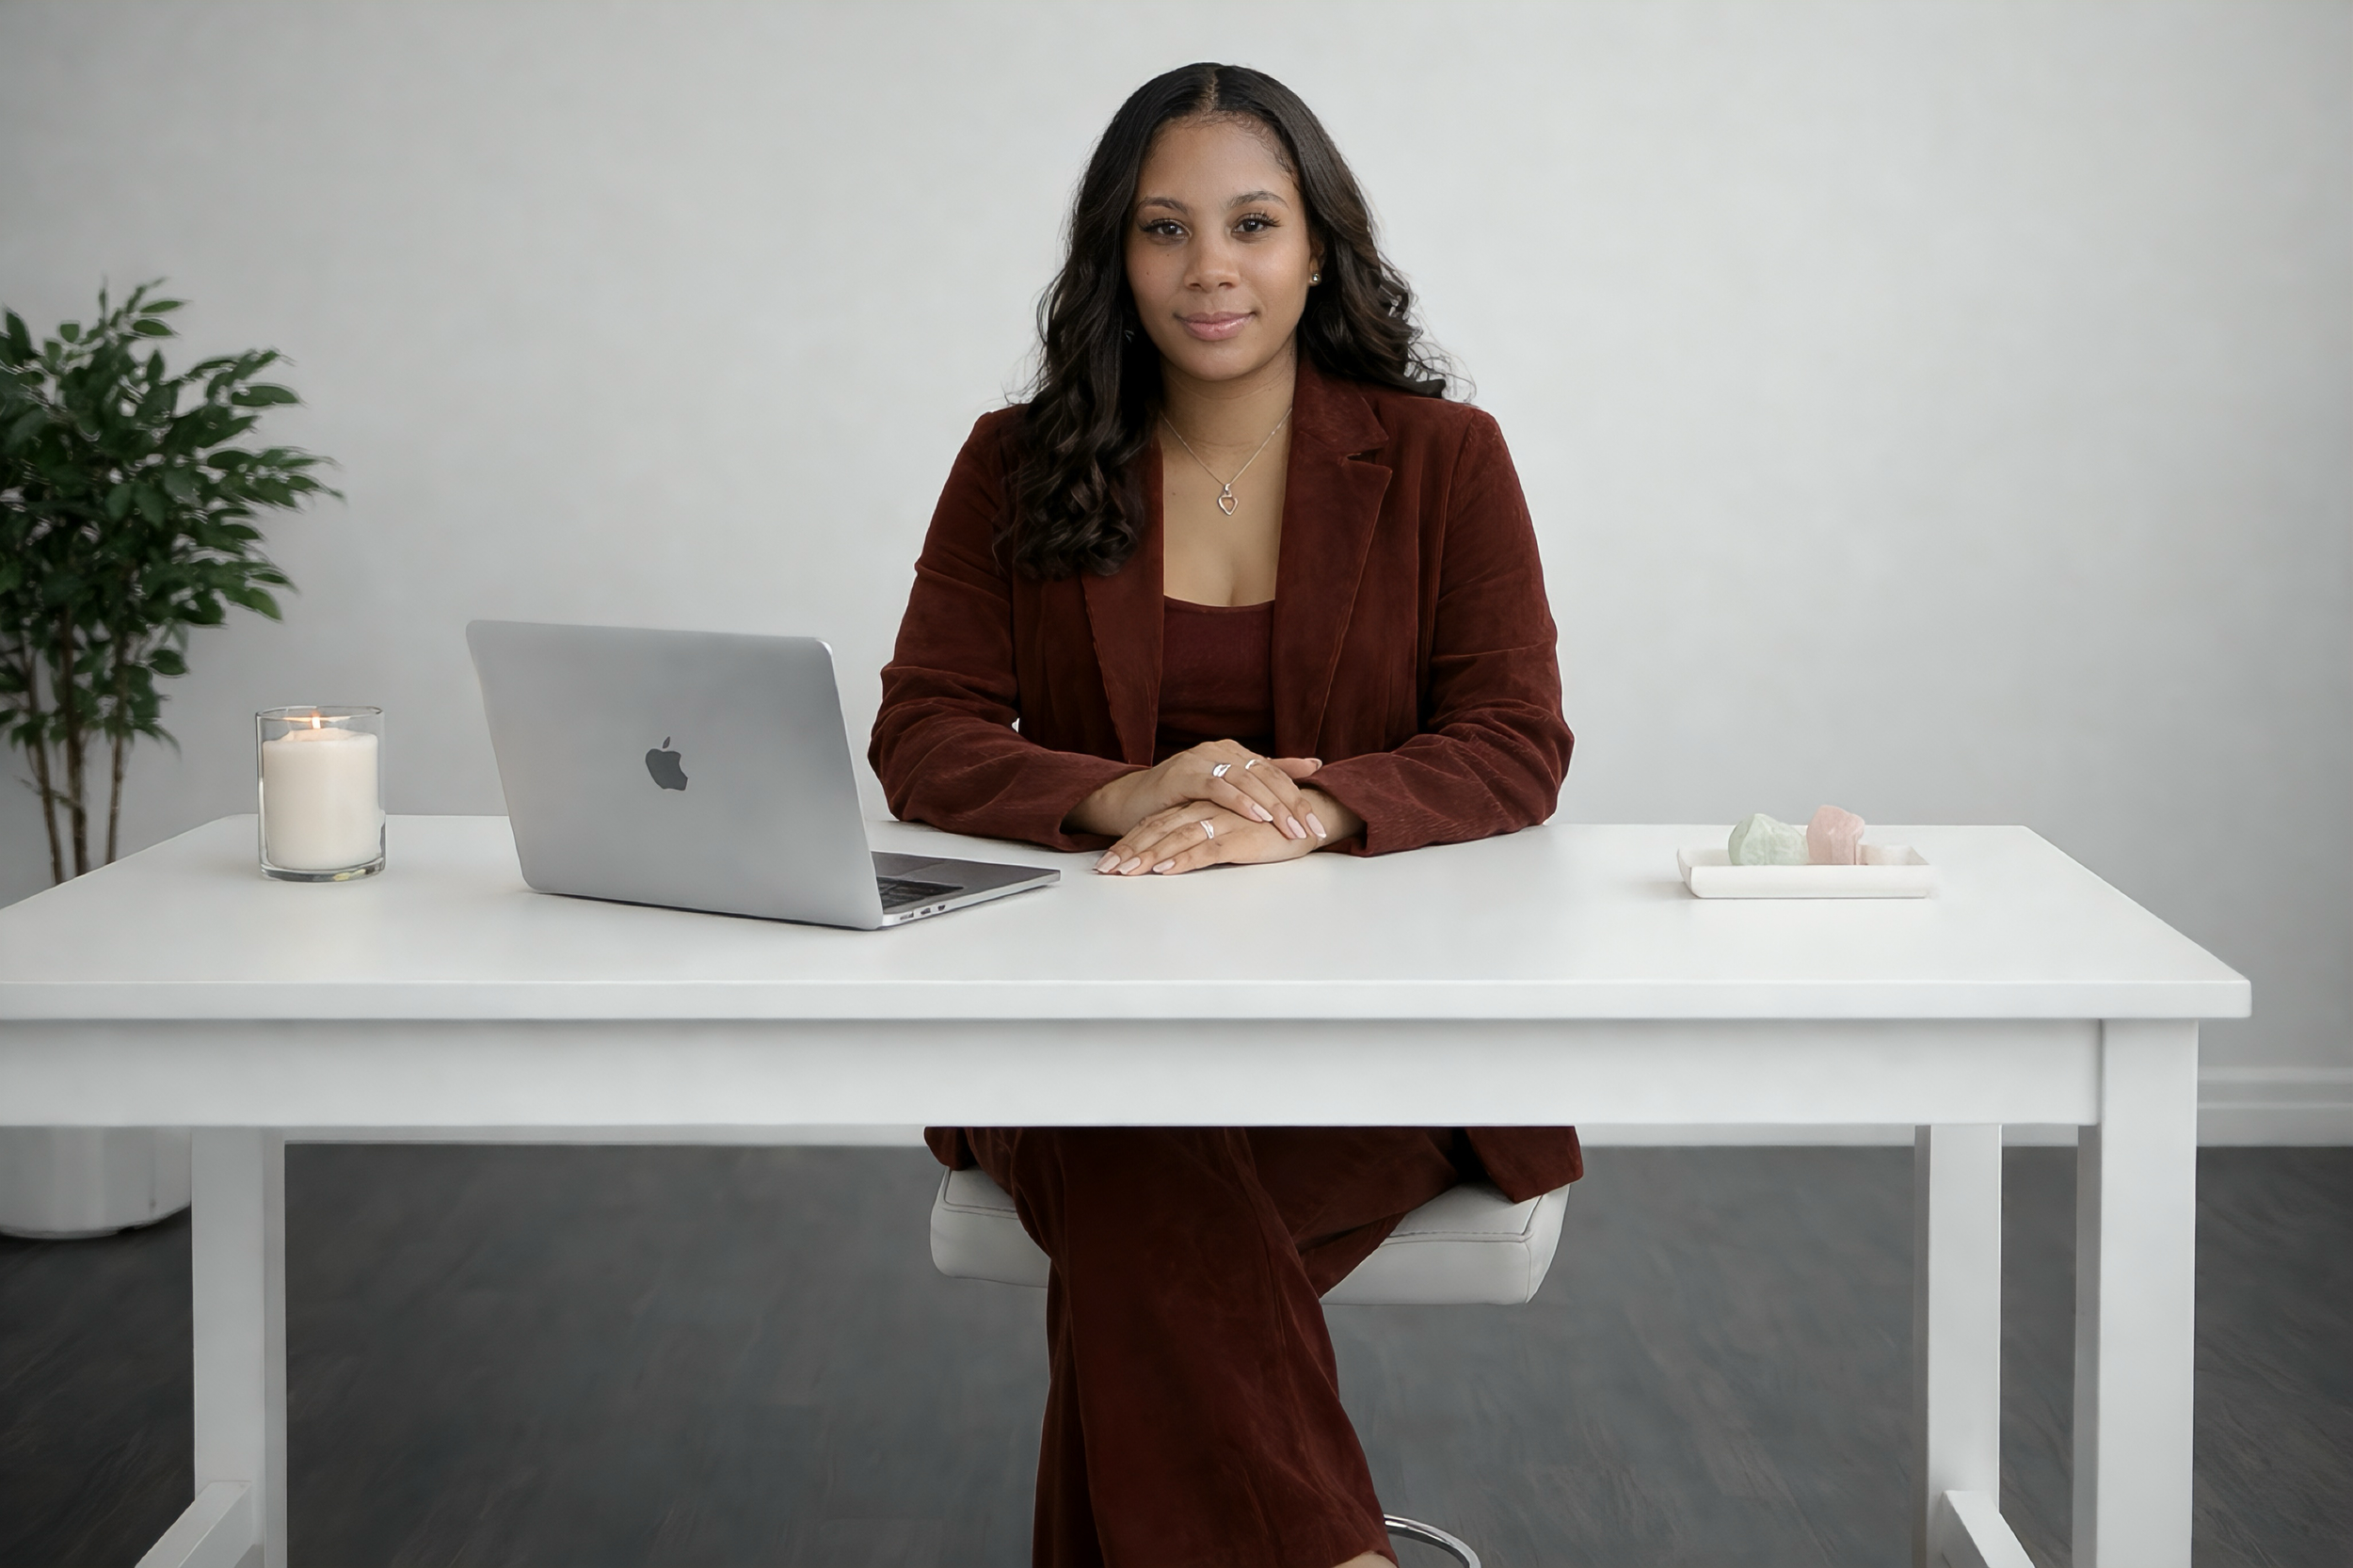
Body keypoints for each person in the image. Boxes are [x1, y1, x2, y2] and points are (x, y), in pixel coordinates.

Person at [871, 62, 1580, 1568]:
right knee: (1133, 1140)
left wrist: (1312, 810)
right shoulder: (1018, 464)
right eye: (1163, 229)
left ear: (1318, 244)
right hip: (1069, 1034)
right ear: (1113, 261)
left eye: (1252, 223)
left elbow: (1517, 741)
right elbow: (920, 733)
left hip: (1374, 1046)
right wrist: (1118, 790)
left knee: (1143, 1254)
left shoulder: (1448, 463)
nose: (1210, 270)